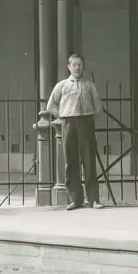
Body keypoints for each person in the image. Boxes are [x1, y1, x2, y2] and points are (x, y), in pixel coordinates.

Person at [45, 53, 103, 210]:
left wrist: (88, 119)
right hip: (68, 123)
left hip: (86, 122)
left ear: (83, 66)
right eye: (74, 64)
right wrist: (63, 115)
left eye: (80, 64)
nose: (77, 67)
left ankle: (94, 199)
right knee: (71, 161)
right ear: (69, 66)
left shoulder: (89, 85)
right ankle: (75, 199)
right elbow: (51, 106)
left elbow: (98, 107)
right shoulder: (62, 85)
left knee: (89, 160)